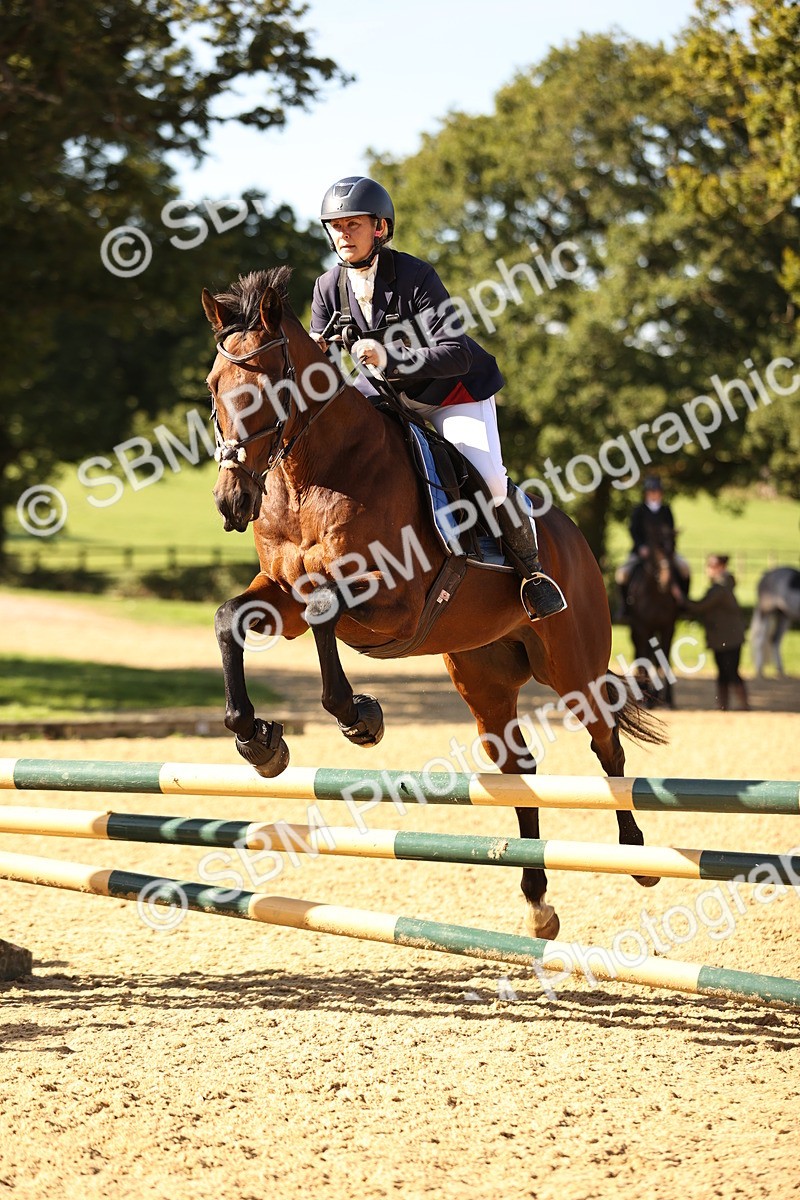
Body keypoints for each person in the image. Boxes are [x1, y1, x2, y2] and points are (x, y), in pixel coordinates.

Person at [308, 175, 566, 622]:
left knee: (489, 478)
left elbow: (457, 352)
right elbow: (319, 359)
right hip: (386, 399)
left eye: (353, 224)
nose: (343, 234)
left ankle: (532, 573)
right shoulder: (327, 288)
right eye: (335, 225)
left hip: (450, 392)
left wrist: (390, 356)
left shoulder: (415, 275)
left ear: (380, 228)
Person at [674, 555, 749, 711]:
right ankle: (724, 705)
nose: (707, 570)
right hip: (725, 637)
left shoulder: (720, 588)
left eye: (710, 566)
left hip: (728, 638)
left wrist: (680, 598)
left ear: (719, 567)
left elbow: (701, 606)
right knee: (724, 672)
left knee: (730, 672)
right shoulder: (723, 585)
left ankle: (742, 705)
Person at [615, 475, 690, 618]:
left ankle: (683, 604)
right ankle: (625, 607)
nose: (655, 494)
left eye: (657, 491)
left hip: (665, 552)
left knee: (685, 568)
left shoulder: (666, 510)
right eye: (651, 491)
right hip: (642, 551)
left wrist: (668, 550)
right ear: (646, 493)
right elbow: (633, 531)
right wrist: (641, 547)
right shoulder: (639, 510)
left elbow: (671, 532)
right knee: (622, 574)